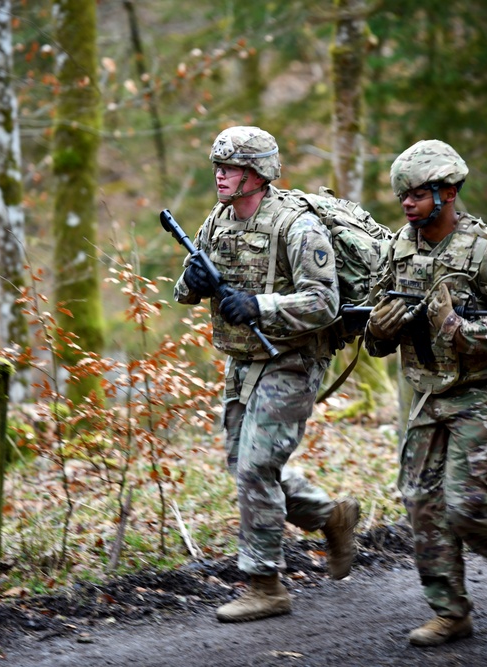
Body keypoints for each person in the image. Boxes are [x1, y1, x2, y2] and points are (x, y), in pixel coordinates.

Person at [364, 139, 487, 647]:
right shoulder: (398, 248)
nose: (406, 203)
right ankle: (451, 613)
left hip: (480, 395)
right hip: (426, 393)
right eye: (401, 194)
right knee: (422, 504)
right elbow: (374, 327)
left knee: (468, 505)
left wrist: (456, 327)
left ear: (447, 192)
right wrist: (380, 330)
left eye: (416, 193)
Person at [173, 126, 360, 623]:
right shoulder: (218, 221)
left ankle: (265, 584)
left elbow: (325, 302)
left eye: (229, 167)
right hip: (242, 361)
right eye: (218, 166)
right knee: (244, 466)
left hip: (293, 360)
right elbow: (188, 290)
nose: (219, 175)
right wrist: (190, 284)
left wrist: (260, 304)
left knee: (256, 467)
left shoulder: (297, 227)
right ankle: (330, 515)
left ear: (256, 174)